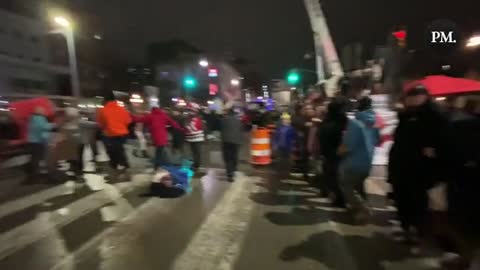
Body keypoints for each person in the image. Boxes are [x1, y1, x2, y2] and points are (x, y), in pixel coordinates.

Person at [388, 85, 448, 251]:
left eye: (411, 96)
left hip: (418, 168)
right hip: (403, 166)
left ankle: (416, 232)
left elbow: (438, 140)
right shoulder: (408, 114)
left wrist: (431, 149)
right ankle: (408, 229)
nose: (407, 100)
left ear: (421, 97)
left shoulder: (433, 115)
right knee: (404, 199)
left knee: (417, 201)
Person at [337, 96, 380, 223]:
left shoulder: (355, 123)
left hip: (354, 161)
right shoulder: (374, 123)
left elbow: (348, 145)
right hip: (368, 161)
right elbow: (377, 141)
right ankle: (358, 211)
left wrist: (339, 151)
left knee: (346, 185)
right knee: (358, 185)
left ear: (359, 106)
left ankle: (362, 208)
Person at [318, 97, 349, 207]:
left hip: (333, 152)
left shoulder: (335, 121)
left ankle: (340, 199)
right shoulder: (341, 120)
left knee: (333, 177)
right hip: (334, 152)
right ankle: (339, 198)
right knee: (333, 177)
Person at [96, 92, 132, 177]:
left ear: (105, 100)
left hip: (110, 135)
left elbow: (101, 125)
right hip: (123, 135)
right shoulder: (122, 109)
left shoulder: (103, 110)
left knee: (112, 152)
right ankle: (124, 167)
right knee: (119, 150)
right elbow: (128, 121)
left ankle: (116, 168)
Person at [26, 107, 53, 182]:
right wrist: (53, 125)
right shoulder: (39, 118)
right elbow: (44, 127)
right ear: (40, 112)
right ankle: (35, 175)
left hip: (32, 141)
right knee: (38, 158)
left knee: (34, 158)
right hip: (38, 141)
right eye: (43, 111)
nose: (44, 112)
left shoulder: (32, 118)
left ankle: (34, 174)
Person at [220, 107, 244, 182]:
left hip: (226, 141)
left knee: (227, 158)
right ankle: (233, 168)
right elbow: (241, 129)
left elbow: (220, 129)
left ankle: (230, 174)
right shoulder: (238, 121)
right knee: (234, 156)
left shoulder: (223, 120)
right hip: (236, 141)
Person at [273, 113, 296, 180]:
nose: (285, 121)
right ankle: (281, 173)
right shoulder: (279, 129)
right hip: (281, 147)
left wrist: (294, 146)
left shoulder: (291, 129)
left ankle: (286, 173)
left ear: (289, 120)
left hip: (288, 147)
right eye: (284, 119)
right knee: (281, 160)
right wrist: (275, 145)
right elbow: (276, 137)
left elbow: (294, 138)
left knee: (287, 161)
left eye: (287, 119)